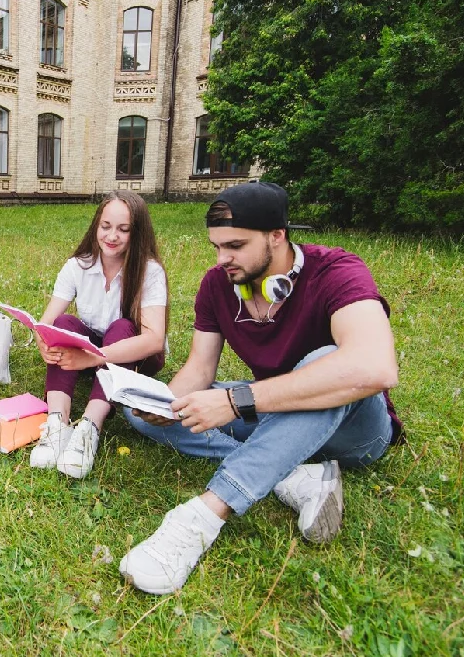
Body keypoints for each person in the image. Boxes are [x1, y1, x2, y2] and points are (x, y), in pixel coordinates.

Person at [119, 182, 403, 594]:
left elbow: (374, 367)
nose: (223, 259)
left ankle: (200, 518)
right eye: (216, 246)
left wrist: (237, 401)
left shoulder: (338, 270)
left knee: (324, 362)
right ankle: (294, 479)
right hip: (276, 411)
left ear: (276, 235)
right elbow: (200, 367)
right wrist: (166, 405)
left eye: (234, 245)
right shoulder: (218, 285)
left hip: (357, 432)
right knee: (148, 412)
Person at [28, 190, 168, 479]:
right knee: (64, 323)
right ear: (96, 226)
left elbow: (153, 340)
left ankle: (89, 428)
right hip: (92, 353)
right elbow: (47, 321)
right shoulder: (79, 265)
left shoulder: (149, 271)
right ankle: (57, 422)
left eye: (123, 229)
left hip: (135, 358)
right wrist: (44, 342)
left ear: (137, 233)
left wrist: (91, 358)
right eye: (106, 226)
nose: (112, 236)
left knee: (122, 327)